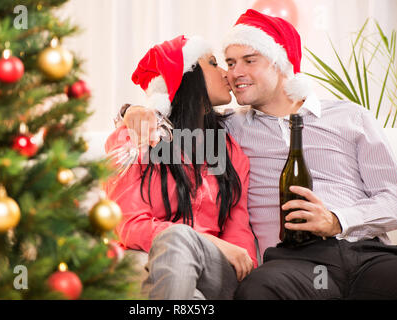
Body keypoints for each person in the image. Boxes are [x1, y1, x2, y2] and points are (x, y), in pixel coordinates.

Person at [120, 10, 397, 299]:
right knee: (257, 290)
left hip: (368, 252)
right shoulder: (229, 131)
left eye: (249, 60)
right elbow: (178, 121)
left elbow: (392, 196)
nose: (234, 72)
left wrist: (337, 219)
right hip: (295, 265)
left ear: (279, 63)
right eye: (229, 62)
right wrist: (132, 111)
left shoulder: (350, 116)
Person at [104, 35, 258, 300]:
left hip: (213, 266)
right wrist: (201, 240)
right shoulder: (139, 138)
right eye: (212, 63)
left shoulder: (230, 150)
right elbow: (128, 224)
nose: (225, 73)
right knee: (185, 277)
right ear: (187, 77)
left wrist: (242, 264)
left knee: (179, 244)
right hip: (144, 259)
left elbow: (238, 233)